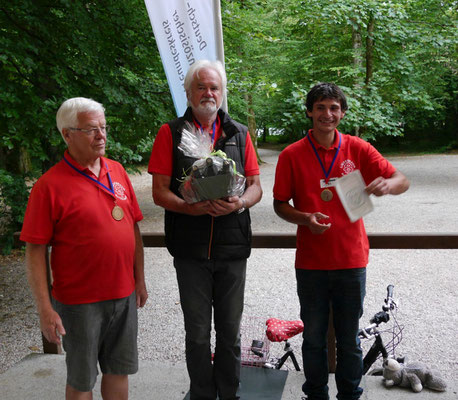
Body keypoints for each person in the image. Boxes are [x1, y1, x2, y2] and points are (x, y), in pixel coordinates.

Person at [273, 82, 410, 400]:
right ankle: (316, 394)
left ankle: (350, 394)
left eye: (334, 107)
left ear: (343, 113)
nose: (327, 114)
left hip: (351, 261)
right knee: (314, 338)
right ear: (309, 111)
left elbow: (401, 179)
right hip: (311, 263)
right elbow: (280, 205)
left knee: (349, 338)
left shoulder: (358, 149)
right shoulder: (291, 155)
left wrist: (387, 186)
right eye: (320, 107)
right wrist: (305, 219)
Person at [20, 97, 148, 400]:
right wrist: (45, 309)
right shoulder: (48, 186)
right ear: (67, 134)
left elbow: (132, 227)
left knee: (119, 371)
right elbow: (35, 251)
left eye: (103, 127)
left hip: (123, 294)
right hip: (79, 303)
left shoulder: (116, 171)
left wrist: (139, 279)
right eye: (91, 130)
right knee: (81, 380)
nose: (101, 135)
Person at [148, 59, 262, 400]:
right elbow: (159, 191)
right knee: (197, 333)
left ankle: (229, 392)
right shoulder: (169, 132)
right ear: (187, 91)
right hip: (190, 250)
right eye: (201, 87)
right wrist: (188, 207)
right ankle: (201, 393)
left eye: (214, 87)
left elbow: (255, 186)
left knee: (230, 331)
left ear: (222, 92)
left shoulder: (239, 133)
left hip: (232, 248)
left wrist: (239, 203)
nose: (208, 93)